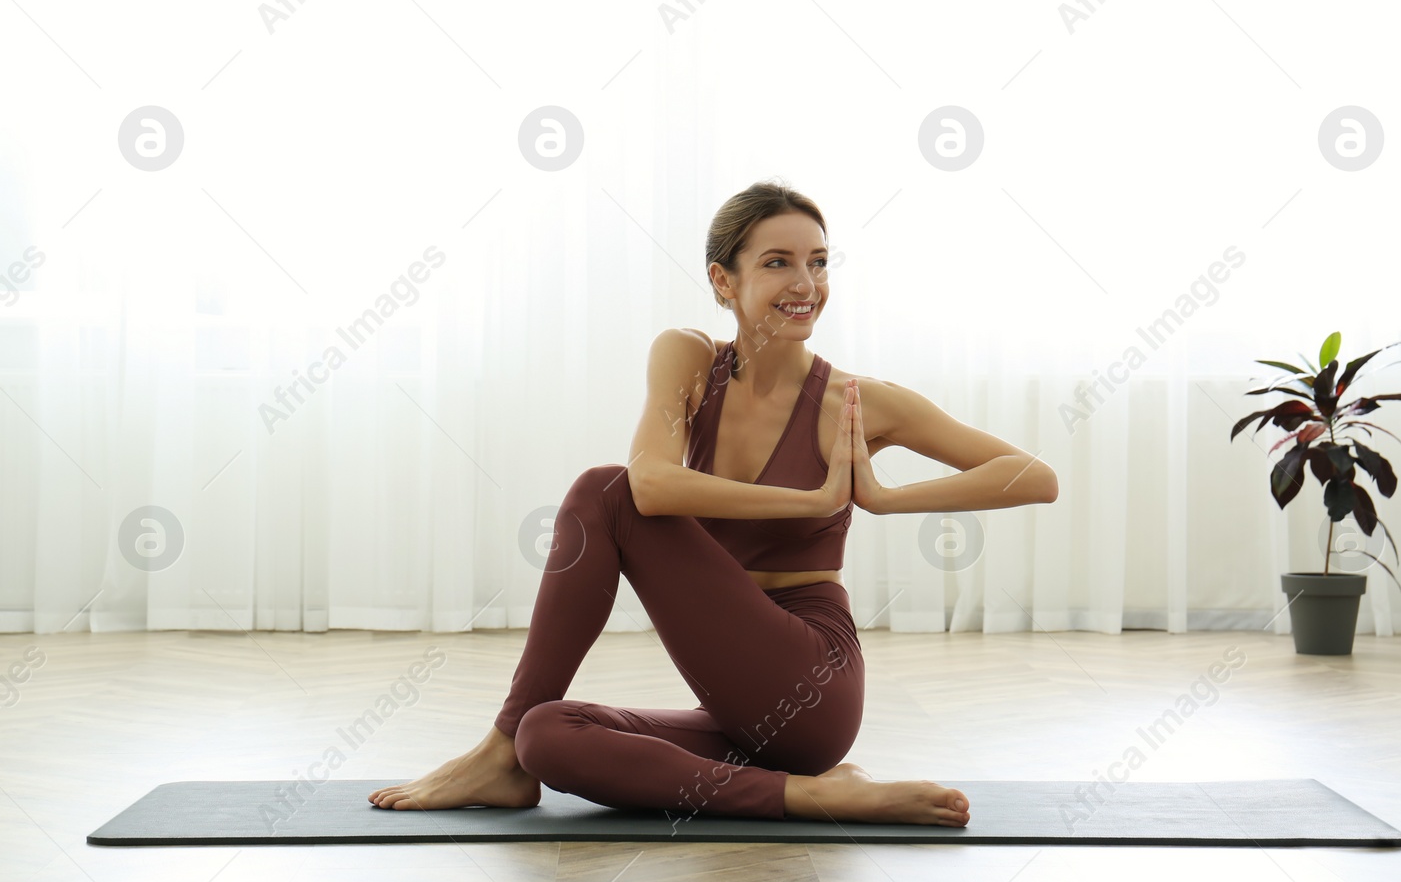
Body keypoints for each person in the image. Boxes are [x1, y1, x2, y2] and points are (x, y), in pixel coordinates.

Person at [368, 179, 1058, 824]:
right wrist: (812, 498)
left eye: (819, 262)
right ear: (723, 281)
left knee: (597, 490)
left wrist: (878, 497)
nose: (805, 284)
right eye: (778, 263)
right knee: (547, 736)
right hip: (735, 704)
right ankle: (809, 792)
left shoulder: (855, 400)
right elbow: (652, 484)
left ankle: (496, 747)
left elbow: (1033, 475)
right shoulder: (689, 359)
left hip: (811, 680)